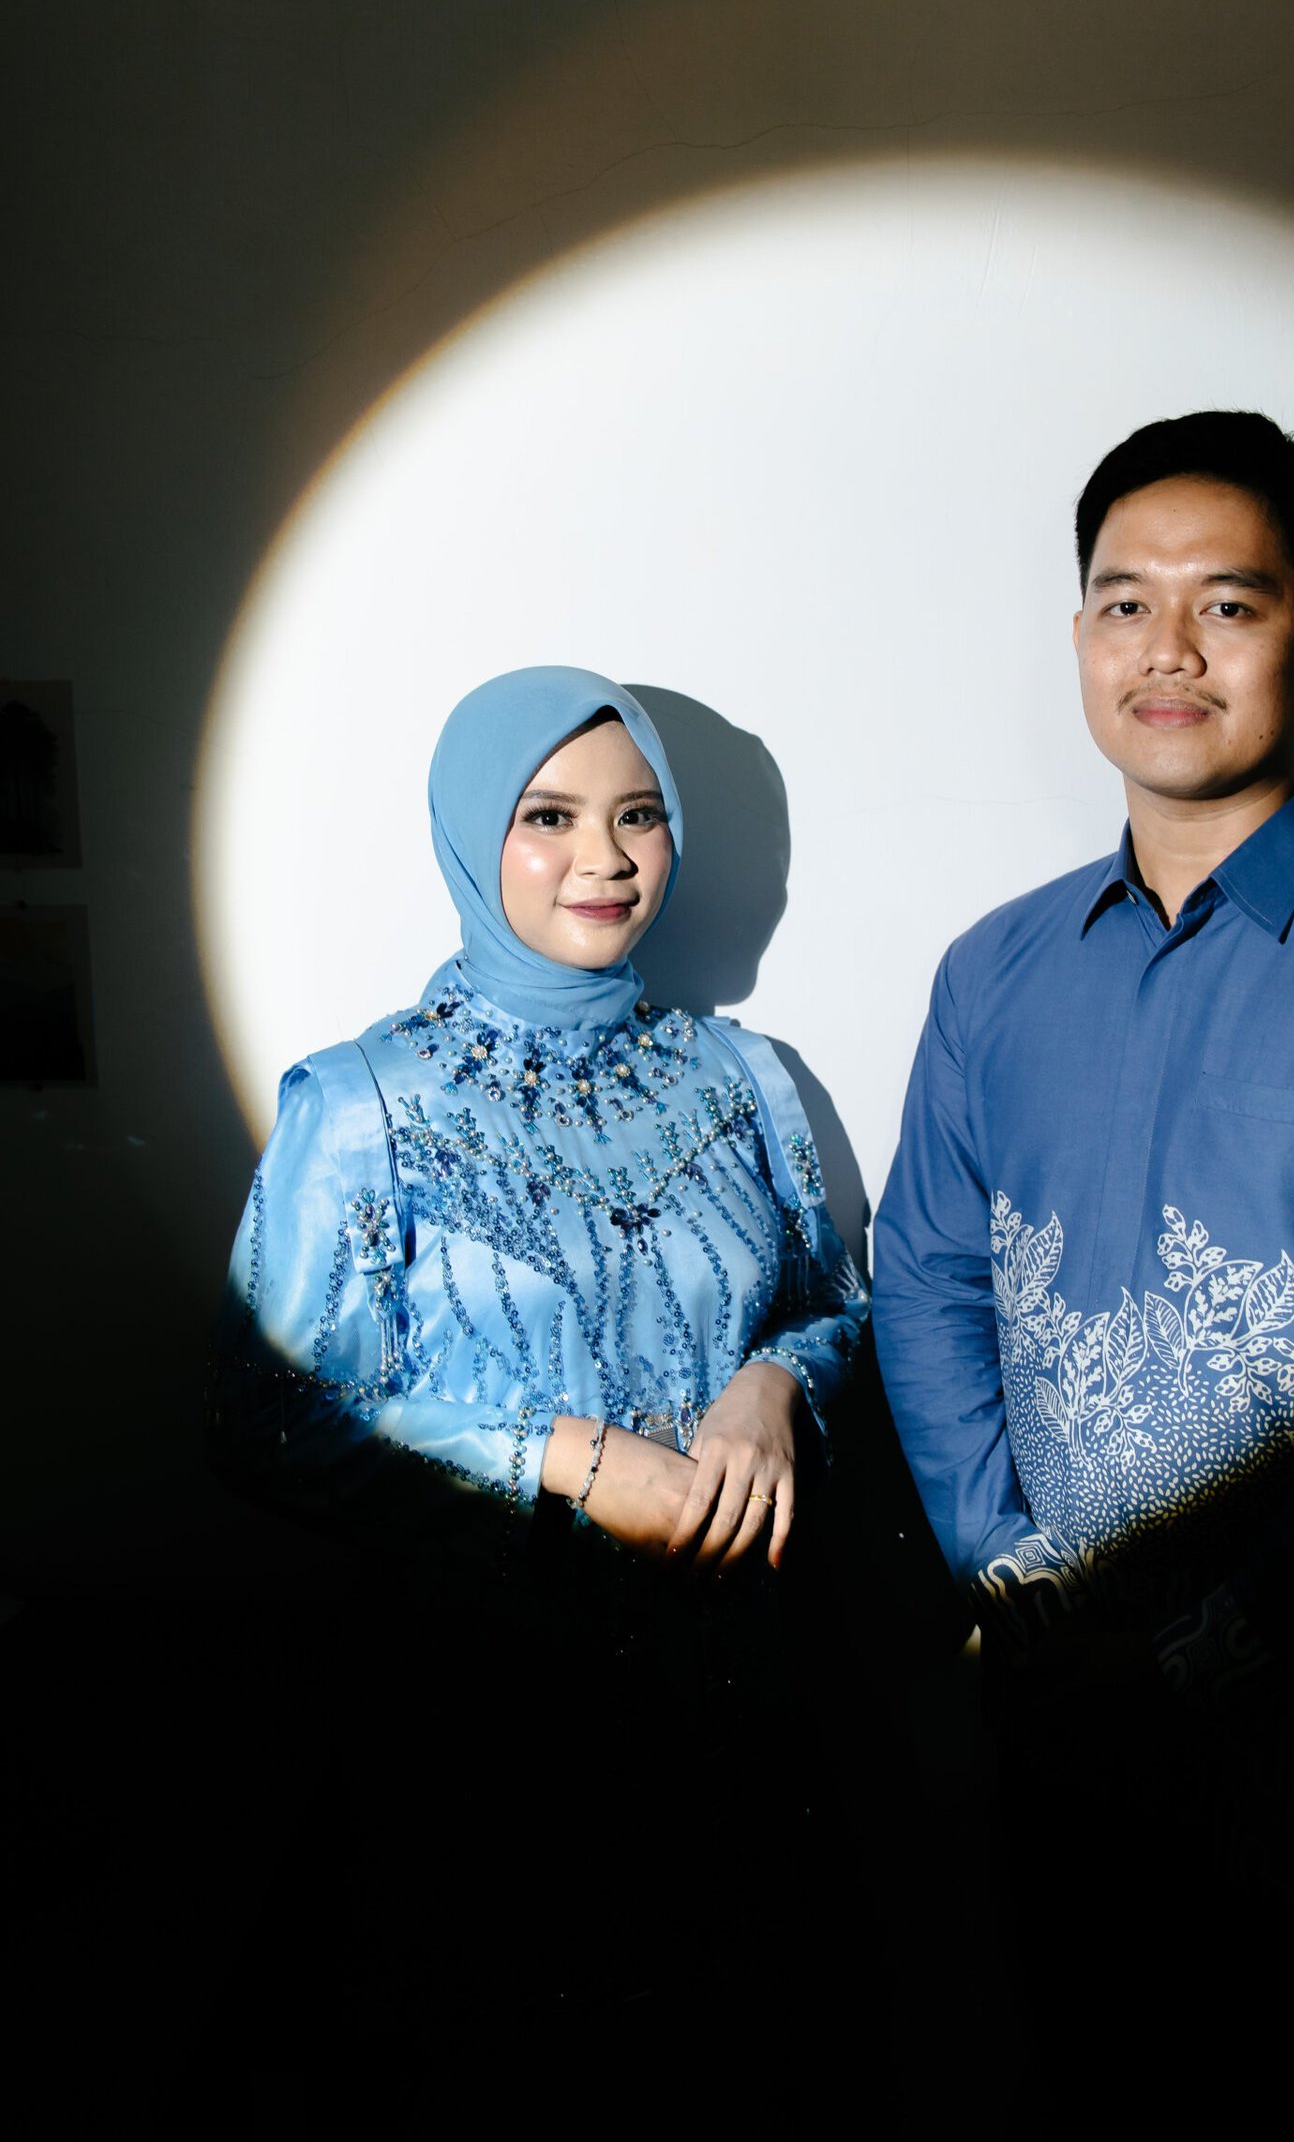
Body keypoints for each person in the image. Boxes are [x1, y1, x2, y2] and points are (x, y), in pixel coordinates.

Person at [871, 411, 1294, 2127]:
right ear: (1080, 638)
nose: (1167, 650)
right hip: (1055, 1736)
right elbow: (930, 1278)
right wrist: (1009, 1573)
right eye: (1126, 603)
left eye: (1228, 605)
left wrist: (1227, 1647)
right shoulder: (993, 972)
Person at [207, 666, 868, 2095]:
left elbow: (837, 1309)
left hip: (735, 1690)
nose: (605, 859)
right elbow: (261, 1416)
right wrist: (560, 1456)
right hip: (480, 1714)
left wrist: (773, 1386)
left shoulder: (743, 1078)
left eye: (640, 815)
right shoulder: (364, 1103)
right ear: (470, 833)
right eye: (549, 816)